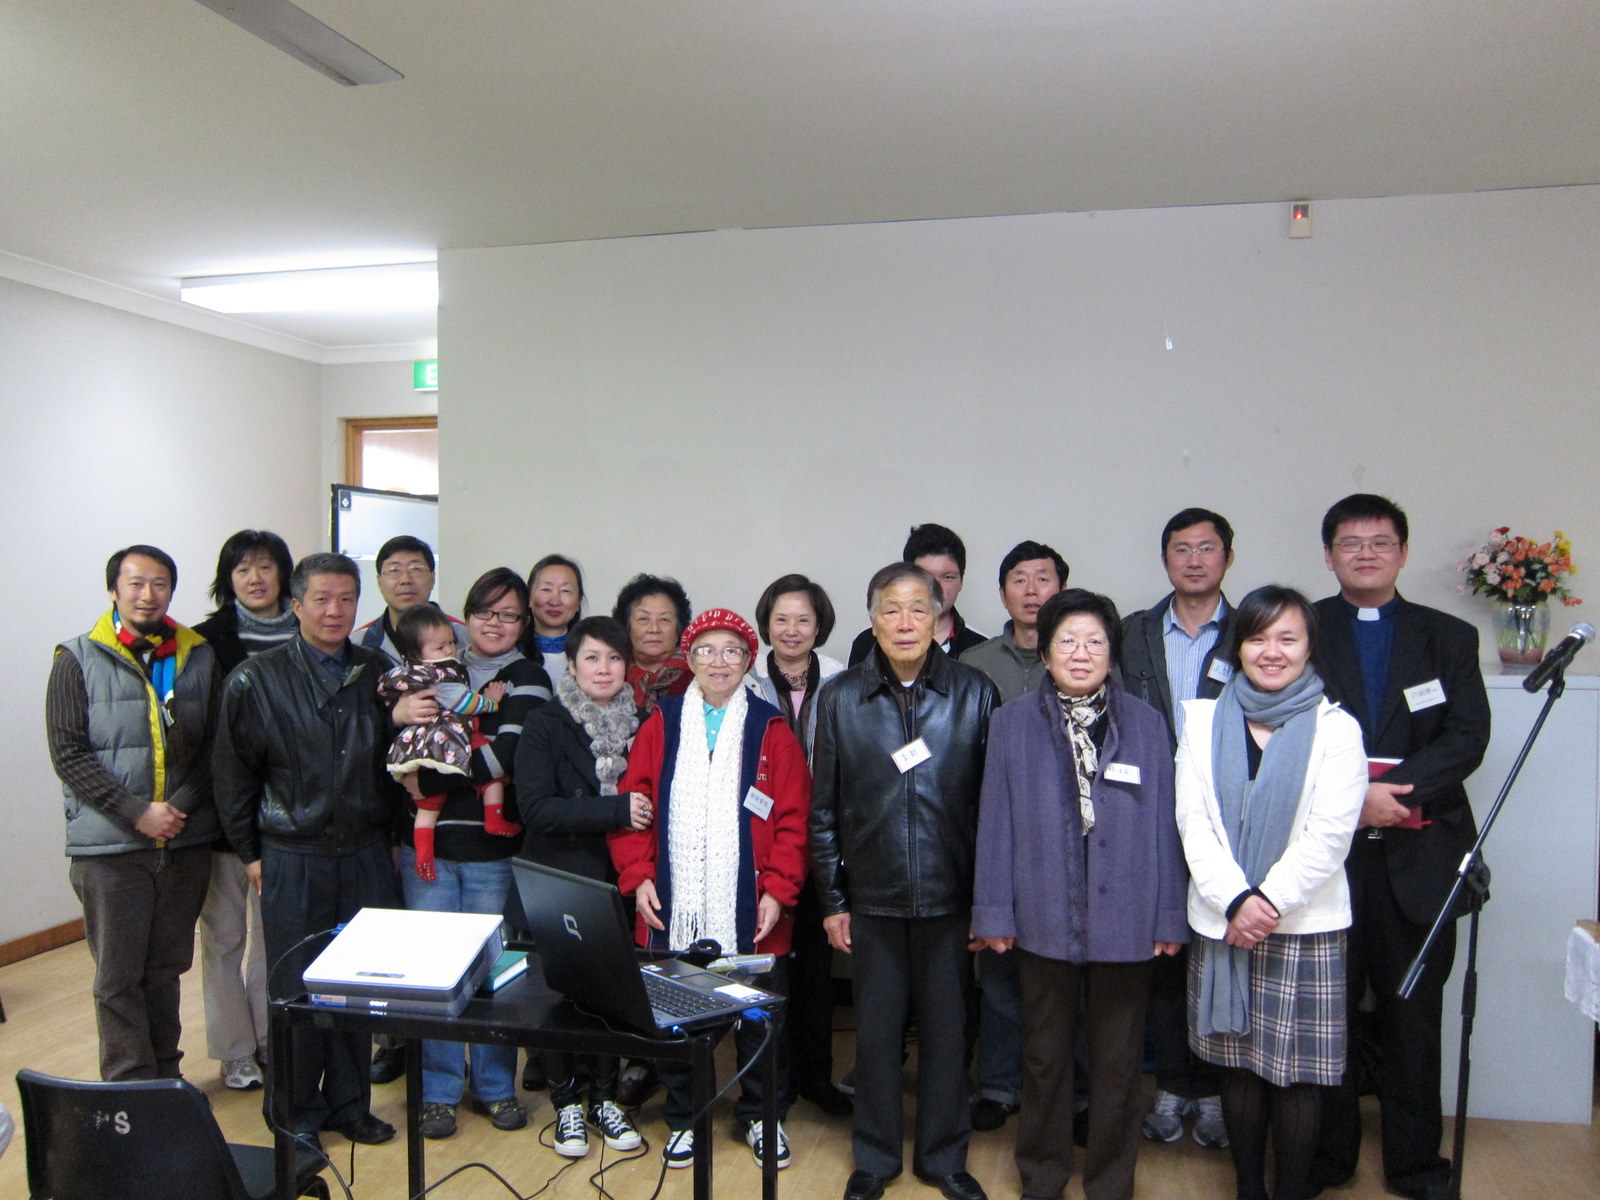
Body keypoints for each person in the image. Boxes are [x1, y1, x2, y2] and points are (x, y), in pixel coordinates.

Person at [972, 589, 1187, 1200]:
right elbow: (995, 821)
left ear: (1112, 653)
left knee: (1118, 1064)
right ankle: (1042, 1175)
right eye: (1066, 640)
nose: (1081, 652)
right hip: (1042, 911)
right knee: (1044, 1057)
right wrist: (993, 911)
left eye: (1095, 641)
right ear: (1045, 652)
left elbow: (1166, 824)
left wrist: (1170, 915)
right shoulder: (1011, 723)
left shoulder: (1145, 723)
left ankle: (1112, 1182)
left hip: (1129, 914)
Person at [1309, 495, 1490, 1200]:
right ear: (1329, 555)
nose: (1365, 554)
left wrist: (1394, 793)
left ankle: (1415, 1164)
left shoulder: (1447, 637)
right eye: (1350, 543)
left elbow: (1467, 736)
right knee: (1328, 1012)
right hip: (1328, 858)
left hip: (1419, 857)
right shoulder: (1304, 628)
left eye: (1380, 542)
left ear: (1403, 552)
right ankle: (1328, 1156)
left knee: (1413, 1014)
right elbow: (1281, 727)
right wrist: (1352, 801)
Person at [811, 563, 1000, 1200]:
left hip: (952, 899)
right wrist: (834, 900)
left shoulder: (975, 693)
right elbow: (823, 809)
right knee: (876, 1034)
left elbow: (994, 810)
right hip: (872, 898)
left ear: (938, 619)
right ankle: (875, 1156)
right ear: (872, 621)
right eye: (891, 609)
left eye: (918, 609)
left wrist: (987, 903)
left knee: (949, 1035)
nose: (905, 622)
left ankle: (943, 1157)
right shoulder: (841, 698)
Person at [1175, 585, 1366, 1200]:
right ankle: (1249, 1189)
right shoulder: (1202, 721)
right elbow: (1192, 822)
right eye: (1258, 638)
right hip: (1225, 919)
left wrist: (1268, 902)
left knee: (1297, 1075)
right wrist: (1236, 900)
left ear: (1309, 647)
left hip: (1304, 923)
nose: (1272, 651)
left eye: (1288, 638)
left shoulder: (1337, 729)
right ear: (1239, 647)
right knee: (1238, 1067)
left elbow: (1330, 835)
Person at [212, 552, 403, 1147]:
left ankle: (350, 1105)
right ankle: (293, 1113)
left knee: (358, 984)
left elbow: (399, 763)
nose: (334, 611)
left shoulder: (378, 671)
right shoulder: (255, 679)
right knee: (295, 988)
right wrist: (250, 853)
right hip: (292, 853)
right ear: (295, 606)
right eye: (321, 599)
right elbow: (232, 776)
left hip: (366, 851)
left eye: (346, 599)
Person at [610, 609, 810, 1171]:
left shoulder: (771, 728)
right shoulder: (663, 722)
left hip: (755, 903)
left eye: (731, 651)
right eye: (705, 650)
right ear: (690, 658)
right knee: (676, 1013)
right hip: (672, 902)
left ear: (748, 661)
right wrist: (638, 876)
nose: (718, 661)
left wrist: (779, 890)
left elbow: (794, 817)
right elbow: (634, 805)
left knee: (759, 1020)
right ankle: (684, 1116)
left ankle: (761, 1115)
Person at [388, 567, 553, 1140]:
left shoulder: (528, 677)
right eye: (485, 611)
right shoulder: (436, 668)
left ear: (523, 623)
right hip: (427, 850)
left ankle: (493, 1086)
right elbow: (394, 740)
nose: (495, 623)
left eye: (509, 615)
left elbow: (507, 756)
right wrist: (398, 720)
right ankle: (437, 1091)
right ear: (468, 615)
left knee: (490, 971)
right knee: (433, 970)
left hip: (490, 851)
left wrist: (429, 778)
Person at [46, 544, 219, 1081]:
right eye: (136, 583)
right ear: (113, 590)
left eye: (160, 584)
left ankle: (166, 1078)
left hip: (183, 840)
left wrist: (176, 810)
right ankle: (128, 1085)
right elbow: (69, 753)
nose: (148, 595)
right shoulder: (77, 657)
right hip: (111, 847)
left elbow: (216, 746)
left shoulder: (197, 655)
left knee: (166, 971)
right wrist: (137, 811)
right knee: (118, 977)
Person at [1120, 506, 1238, 1150]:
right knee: (1163, 958)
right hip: (1152, 823)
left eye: (1207, 548)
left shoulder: (1252, 630)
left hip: (1227, 823)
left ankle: (1214, 1091)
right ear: (1165, 559)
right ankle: (1171, 1084)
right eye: (1181, 549)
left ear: (1228, 558)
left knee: (1220, 956)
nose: (1194, 560)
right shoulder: (1133, 632)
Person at [515, 615, 648, 1159]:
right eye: (592, 657)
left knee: (611, 997)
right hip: (559, 877)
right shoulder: (545, 722)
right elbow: (536, 809)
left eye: (614, 658)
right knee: (560, 995)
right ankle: (567, 1101)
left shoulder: (643, 721)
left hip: (618, 879)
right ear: (571, 665)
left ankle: (605, 1099)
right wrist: (615, 810)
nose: (604, 668)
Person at [958, 539, 1068, 1132]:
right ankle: (1000, 1085)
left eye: (1043, 578)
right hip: (994, 832)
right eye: (1019, 580)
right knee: (998, 968)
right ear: (1002, 593)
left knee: (1067, 977)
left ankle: (1071, 1094)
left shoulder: (1081, 653)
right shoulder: (975, 663)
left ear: (1061, 588)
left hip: (1069, 841)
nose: (1031, 590)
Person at [193, 529, 297, 1092]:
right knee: (224, 937)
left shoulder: (308, 634)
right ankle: (233, 1050)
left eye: (265, 567)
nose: (255, 579)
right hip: (222, 816)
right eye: (242, 569)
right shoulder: (204, 642)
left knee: (273, 937)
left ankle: (268, 1037)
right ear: (227, 579)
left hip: (288, 819)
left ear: (284, 574)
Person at [748, 573, 851, 1117]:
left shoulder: (840, 679)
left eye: (803, 619)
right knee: (769, 969)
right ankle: (773, 1084)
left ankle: (817, 1078)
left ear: (819, 626)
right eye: (781, 619)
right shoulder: (745, 681)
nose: (791, 630)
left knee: (816, 968)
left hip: (826, 839)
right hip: (766, 844)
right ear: (766, 624)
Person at [379, 605, 513, 883]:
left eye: (452, 642)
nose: (450, 650)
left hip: (416, 746)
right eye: (440, 647)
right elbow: (465, 702)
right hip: (445, 739)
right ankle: (495, 817)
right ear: (416, 653)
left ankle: (423, 854)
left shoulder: (404, 673)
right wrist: (491, 701)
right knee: (493, 775)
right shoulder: (441, 675)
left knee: (428, 804)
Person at [847, 524, 986, 665]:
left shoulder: (981, 649)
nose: (936, 587)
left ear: (961, 581)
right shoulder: (867, 644)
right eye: (926, 577)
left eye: (948, 577)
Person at [356, 535, 466, 666]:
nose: (405, 580)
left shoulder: (467, 639)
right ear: (379, 582)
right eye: (394, 570)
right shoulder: (358, 644)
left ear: (432, 578)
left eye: (416, 569)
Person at [612, 573, 693, 709]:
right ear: (626, 627)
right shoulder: (611, 676)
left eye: (664, 619)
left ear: (679, 630)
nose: (654, 629)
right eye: (643, 619)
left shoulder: (698, 677)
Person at [523, 553, 586, 681]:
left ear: (578, 602)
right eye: (546, 589)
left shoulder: (590, 654)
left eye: (565, 591)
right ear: (529, 597)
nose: (555, 601)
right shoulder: (511, 652)